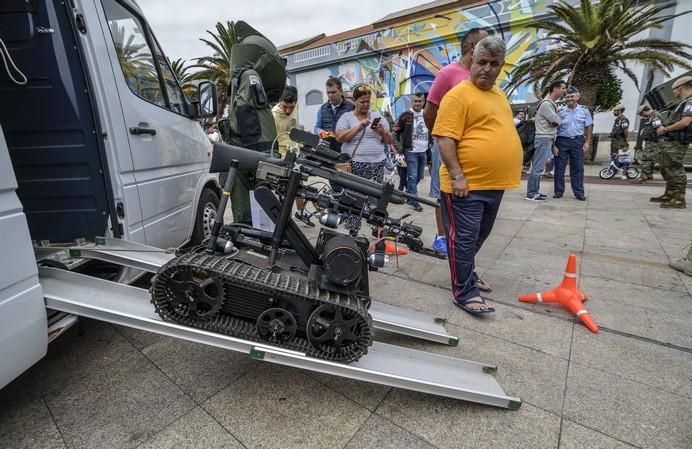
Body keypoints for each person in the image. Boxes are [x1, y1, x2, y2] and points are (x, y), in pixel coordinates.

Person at [432, 36, 522, 315]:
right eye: (482, 62)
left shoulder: (499, 95)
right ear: (471, 61)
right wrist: (458, 176)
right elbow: (445, 138)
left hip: (494, 184)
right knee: (464, 238)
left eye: (494, 64)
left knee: (480, 234)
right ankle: (464, 291)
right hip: (466, 185)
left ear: (501, 66)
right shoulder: (458, 94)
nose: (487, 69)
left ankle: (466, 273)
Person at [424, 27, 490, 256]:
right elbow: (429, 111)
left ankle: (462, 238)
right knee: (442, 193)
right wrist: (441, 137)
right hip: (447, 148)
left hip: (473, 155)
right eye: (486, 43)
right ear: (473, 48)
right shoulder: (449, 74)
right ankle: (442, 237)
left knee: (468, 196)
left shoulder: (482, 77)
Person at [335, 84, 393, 232]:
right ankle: (353, 228)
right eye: (362, 101)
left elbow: (388, 141)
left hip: (376, 164)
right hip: (356, 165)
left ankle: (376, 227)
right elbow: (340, 137)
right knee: (355, 198)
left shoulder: (377, 116)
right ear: (354, 101)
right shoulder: (346, 118)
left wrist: (382, 132)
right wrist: (358, 127)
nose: (366, 105)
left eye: (368, 101)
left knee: (376, 198)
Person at [271, 86, 314, 226]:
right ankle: (285, 222)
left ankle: (300, 213)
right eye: (285, 107)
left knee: (299, 184)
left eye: (291, 107)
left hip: (296, 151)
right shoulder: (273, 115)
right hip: (282, 155)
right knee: (286, 190)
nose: (288, 111)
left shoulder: (296, 106)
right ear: (279, 101)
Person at [653, 75, 691, 209]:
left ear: (680, 88)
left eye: (674, 90)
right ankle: (670, 194)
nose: (673, 92)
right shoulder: (683, 102)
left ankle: (679, 198)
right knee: (666, 167)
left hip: (678, 141)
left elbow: (685, 122)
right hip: (671, 140)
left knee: (675, 168)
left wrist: (666, 129)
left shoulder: (690, 102)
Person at [526, 80, 565, 201]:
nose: (564, 91)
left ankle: (535, 191)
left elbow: (554, 123)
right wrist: (557, 119)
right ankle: (531, 193)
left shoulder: (551, 104)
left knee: (539, 167)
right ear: (555, 89)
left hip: (546, 138)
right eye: (563, 88)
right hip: (543, 138)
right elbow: (557, 122)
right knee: (537, 167)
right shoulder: (546, 104)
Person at [315, 77, 354, 194]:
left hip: (347, 152)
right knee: (334, 181)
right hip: (329, 152)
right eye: (328, 92)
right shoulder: (322, 109)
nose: (330, 95)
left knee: (348, 183)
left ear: (341, 91)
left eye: (333, 92)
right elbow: (317, 127)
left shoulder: (351, 107)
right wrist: (321, 132)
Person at [553, 86, 592, 201]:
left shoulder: (584, 111)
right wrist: (553, 144)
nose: (569, 98)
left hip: (577, 141)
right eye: (567, 96)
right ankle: (558, 191)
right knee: (559, 168)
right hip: (562, 141)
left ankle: (579, 192)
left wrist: (587, 142)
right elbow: (554, 128)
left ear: (577, 97)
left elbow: (588, 126)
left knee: (578, 168)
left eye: (572, 96)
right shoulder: (560, 111)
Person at [395, 93, 431, 212]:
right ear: (411, 102)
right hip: (410, 151)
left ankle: (409, 194)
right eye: (415, 101)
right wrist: (399, 148)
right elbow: (394, 132)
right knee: (412, 176)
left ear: (423, 102)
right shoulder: (405, 116)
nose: (417, 103)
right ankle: (415, 201)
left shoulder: (427, 114)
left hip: (424, 150)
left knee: (420, 176)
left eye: (419, 101)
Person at [633, 105, 663, 184]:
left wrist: (656, 140)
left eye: (641, 114)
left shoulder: (655, 116)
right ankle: (649, 174)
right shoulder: (651, 117)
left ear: (643, 111)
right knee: (651, 159)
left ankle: (643, 177)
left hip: (654, 141)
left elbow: (659, 129)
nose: (641, 116)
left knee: (646, 158)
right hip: (651, 141)